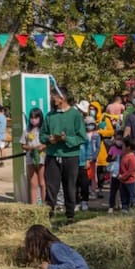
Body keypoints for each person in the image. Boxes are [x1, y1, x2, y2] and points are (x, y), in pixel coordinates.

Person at [40, 83, 87, 224]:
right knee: (51, 187)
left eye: (54, 96)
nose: (52, 99)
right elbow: (42, 135)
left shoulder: (75, 115)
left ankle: (70, 216)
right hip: (52, 156)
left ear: (62, 98)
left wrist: (66, 139)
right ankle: (48, 215)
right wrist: (48, 139)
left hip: (70, 156)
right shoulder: (50, 116)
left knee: (70, 187)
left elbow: (82, 137)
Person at [20, 107, 46, 205]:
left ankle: (45, 205)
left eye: (36, 118)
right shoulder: (27, 130)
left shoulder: (44, 130)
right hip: (30, 159)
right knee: (33, 183)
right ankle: (33, 206)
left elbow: (48, 143)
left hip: (42, 158)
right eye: (31, 118)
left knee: (42, 182)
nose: (33, 120)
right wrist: (30, 148)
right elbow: (23, 145)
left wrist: (42, 147)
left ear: (40, 118)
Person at [119, 137, 135, 213]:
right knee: (124, 196)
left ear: (128, 147)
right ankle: (124, 208)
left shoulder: (132, 158)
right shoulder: (124, 155)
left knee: (132, 196)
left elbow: (130, 171)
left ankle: (133, 208)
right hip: (123, 181)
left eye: (123, 145)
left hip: (131, 181)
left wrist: (122, 176)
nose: (122, 147)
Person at [106, 138, 123, 213]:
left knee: (122, 190)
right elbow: (107, 159)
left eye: (120, 139)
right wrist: (112, 158)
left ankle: (122, 204)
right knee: (113, 190)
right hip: (114, 173)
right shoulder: (112, 148)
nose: (119, 141)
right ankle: (111, 206)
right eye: (117, 139)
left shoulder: (125, 149)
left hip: (122, 173)